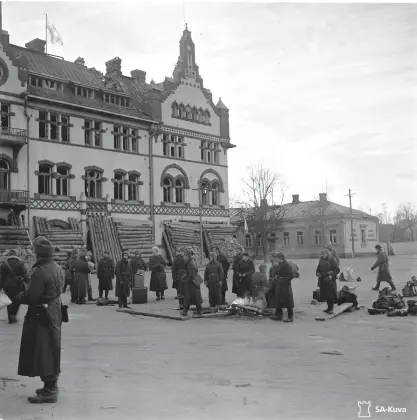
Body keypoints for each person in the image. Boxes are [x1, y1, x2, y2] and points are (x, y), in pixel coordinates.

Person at [14, 236, 64, 404]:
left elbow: (32, 296)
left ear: (39, 255)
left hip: (42, 313)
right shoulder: (57, 268)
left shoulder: (40, 271)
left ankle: (50, 391)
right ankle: (50, 385)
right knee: (51, 347)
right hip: (54, 310)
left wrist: (18, 296)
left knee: (44, 350)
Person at [0, 249, 29, 324]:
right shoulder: (20, 263)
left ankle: (10, 315)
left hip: (6, 285)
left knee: (9, 300)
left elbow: (1, 275)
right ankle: (13, 315)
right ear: (16, 255)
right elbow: (24, 274)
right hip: (17, 285)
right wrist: (27, 282)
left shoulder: (4, 263)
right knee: (17, 300)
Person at [269, 251, 295, 322]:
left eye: (277, 258)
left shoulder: (286, 265)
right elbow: (277, 272)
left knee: (288, 301)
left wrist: (284, 280)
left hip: (285, 285)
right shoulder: (280, 264)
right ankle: (278, 314)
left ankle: (291, 316)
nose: (276, 259)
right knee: (279, 299)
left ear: (280, 258)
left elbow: (291, 275)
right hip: (280, 284)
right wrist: (277, 276)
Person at [316, 249, 340, 314]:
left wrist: (331, 275)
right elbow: (318, 269)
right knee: (326, 295)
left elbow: (337, 269)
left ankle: (331, 309)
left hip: (330, 280)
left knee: (330, 295)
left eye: (324, 254)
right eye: (322, 254)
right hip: (323, 280)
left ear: (327, 254)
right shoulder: (321, 260)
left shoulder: (331, 260)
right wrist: (318, 273)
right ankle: (328, 308)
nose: (323, 255)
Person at [181, 248, 203, 317]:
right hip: (196, 280)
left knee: (191, 297)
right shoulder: (192, 261)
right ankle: (186, 311)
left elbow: (191, 276)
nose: (183, 257)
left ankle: (197, 312)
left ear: (188, 256)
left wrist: (185, 279)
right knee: (194, 297)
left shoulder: (190, 263)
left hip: (192, 283)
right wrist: (186, 275)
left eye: (184, 256)